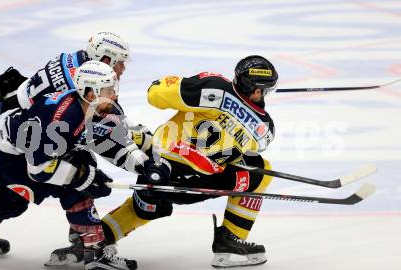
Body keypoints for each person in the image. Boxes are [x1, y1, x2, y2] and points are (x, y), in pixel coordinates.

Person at [0, 61, 169, 270]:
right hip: (5, 159)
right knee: (14, 202)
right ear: (90, 94)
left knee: (79, 168)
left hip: (30, 152)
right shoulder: (60, 118)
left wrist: (143, 164)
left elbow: (113, 142)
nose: (114, 95)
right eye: (109, 90)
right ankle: (93, 251)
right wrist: (85, 176)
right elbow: (39, 169)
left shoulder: (99, 107)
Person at [0, 31, 154, 267]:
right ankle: (86, 241)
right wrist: (135, 144)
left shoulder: (79, 63)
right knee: (76, 173)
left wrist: (133, 144)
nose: (122, 69)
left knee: (77, 170)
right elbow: (98, 129)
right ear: (105, 58)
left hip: (26, 128)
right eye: (120, 63)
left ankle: (85, 237)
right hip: (21, 140)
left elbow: (105, 116)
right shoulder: (75, 90)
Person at [98, 55, 278, 268]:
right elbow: (253, 149)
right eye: (265, 90)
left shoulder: (215, 86)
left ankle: (94, 239)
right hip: (193, 186)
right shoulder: (264, 128)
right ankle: (230, 240)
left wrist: (175, 86)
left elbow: (155, 94)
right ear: (256, 91)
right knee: (260, 170)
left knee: (149, 206)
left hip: (155, 169)